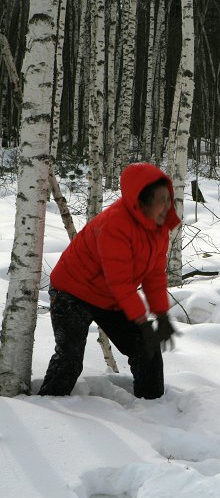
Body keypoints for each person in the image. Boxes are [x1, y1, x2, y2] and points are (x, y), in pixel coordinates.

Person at [39, 163, 180, 399]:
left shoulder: (159, 228)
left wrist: (162, 316)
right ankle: (47, 410)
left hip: (109, 297)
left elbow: (154, 276)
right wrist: (143, 323)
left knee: (148, 349)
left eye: (168, 198)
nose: (166, 205)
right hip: (72, 292)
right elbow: (121, 282)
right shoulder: (115, 224)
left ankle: (154, 412)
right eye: (159, 200)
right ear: (141, 201)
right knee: (70, 360)